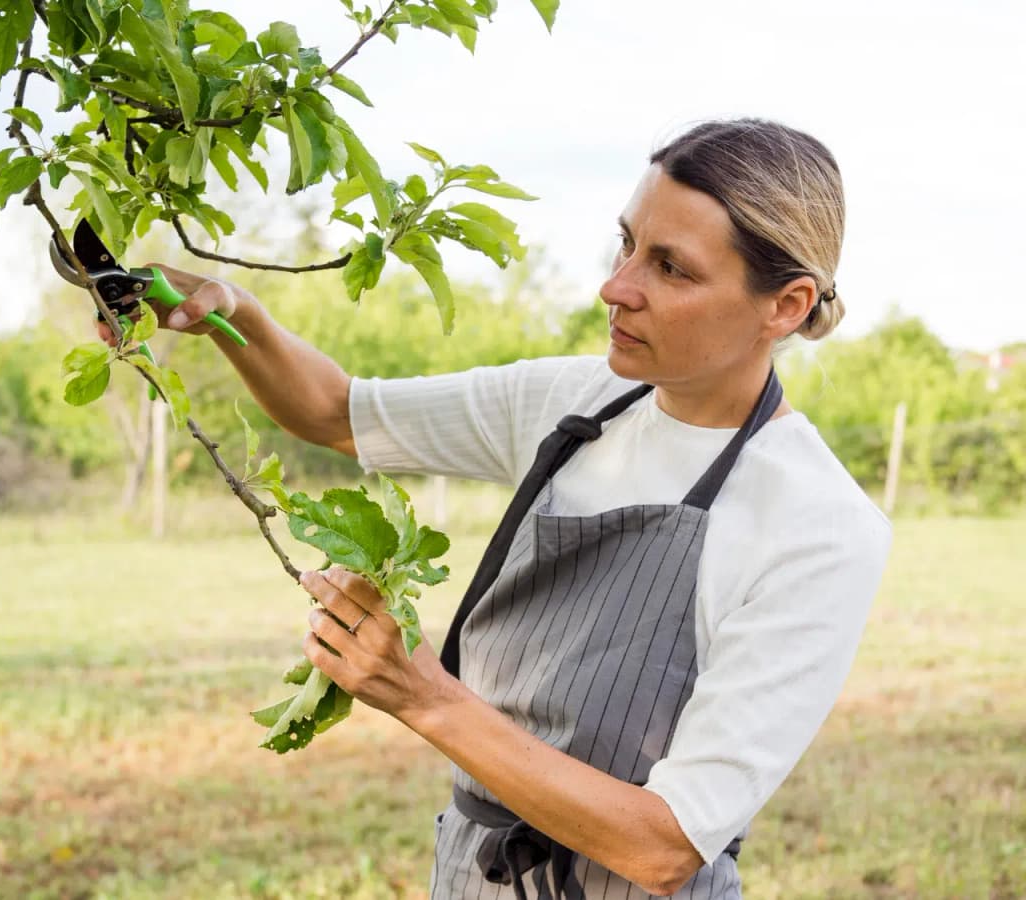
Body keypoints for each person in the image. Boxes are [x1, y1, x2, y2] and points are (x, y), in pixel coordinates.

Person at [111, 119, 891, 899]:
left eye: (671, 268)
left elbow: (666, 847)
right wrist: (232, 313)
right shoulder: (573, 401)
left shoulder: (818, 524)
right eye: (626, 244)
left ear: (785, 305)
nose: (616, 286)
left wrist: (425, 696)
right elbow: (332, 411)